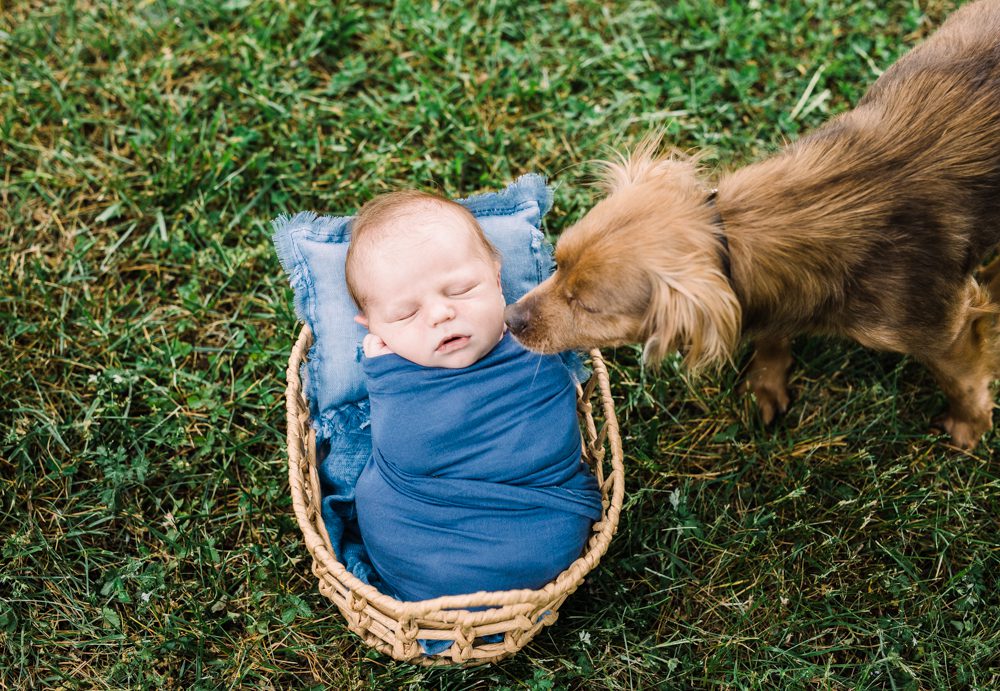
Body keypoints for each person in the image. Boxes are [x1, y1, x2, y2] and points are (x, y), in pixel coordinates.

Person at [344, 190, 603, 602]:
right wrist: (384, 375)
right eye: (405, 314)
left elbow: (552, 415)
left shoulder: (532, 340)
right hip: (423, 547)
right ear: (372, 326)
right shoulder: (392, 372)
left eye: (462, 289)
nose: (440, 314)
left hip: (539, 523)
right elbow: (404, 445)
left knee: (364, 484)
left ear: (498, 280)